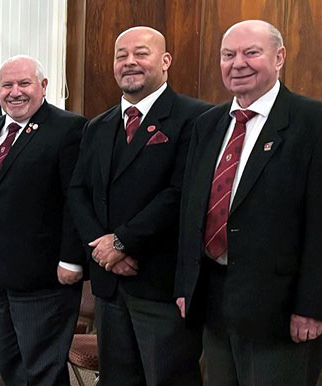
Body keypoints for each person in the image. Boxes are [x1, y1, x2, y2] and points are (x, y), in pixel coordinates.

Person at [176, 19, 322, 385]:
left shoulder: (312, 122)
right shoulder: (207, 124)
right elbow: (191, 212)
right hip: (214, 303)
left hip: (281, 312)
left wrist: (311, 307)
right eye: (228, 55)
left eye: (251, 52)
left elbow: (320, 225)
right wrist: (185, 286)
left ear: (280, 57)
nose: (237, 63)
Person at [67, 26, 210, 386]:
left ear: (165, 62)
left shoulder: (197, 119)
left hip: (160, 284)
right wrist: (102, 249)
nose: (130, 62)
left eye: (141, 53)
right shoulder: (97, 126)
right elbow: (79, 191)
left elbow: (180, 193)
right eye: (121, 55)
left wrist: (122, 243)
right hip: (110, 285)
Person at [0, 55, 86, 386]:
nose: (15, 92)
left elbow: (75, 201)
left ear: (44, 86)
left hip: (45, 276)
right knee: (11, 365)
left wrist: (71, 260)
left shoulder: (70, 128)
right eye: (7, 85)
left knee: (42, 369)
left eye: (24, 83)